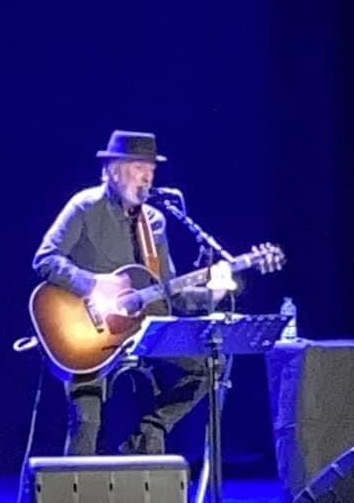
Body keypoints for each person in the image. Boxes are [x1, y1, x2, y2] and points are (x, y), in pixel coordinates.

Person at [33, 130, 232, 457]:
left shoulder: (154, 222)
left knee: (209, 363)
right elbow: (45, 258)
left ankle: (149, 431)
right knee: (87, 420)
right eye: (138, 166)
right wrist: (92, 283)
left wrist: (212, 295)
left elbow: (168, 292)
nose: (147, 176)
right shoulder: (84, 206)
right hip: (86, 334)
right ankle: (74, 502)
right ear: (112, 170)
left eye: (151, 169)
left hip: (139, 333)